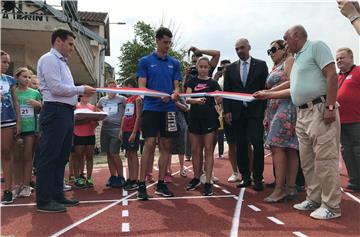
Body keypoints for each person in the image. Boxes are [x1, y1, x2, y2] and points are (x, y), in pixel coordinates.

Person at [283, 25, 341, 219]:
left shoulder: (316, 46)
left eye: (286, 38)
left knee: (325, 159)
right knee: (308, 161)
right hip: (302, 113)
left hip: (319, 108)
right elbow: (294, 87)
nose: (285, 43)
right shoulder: (298, 58)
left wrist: (330, 107)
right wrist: (268, 93)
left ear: (296, 36)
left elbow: (332, 74)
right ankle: (314, 198)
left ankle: (331, 206)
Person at [36, 28, 95, 212]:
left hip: (66, 112)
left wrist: (78, 91)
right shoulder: (49, 59)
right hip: (55, 111)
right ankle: (44, 201)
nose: (72, 48)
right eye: (70, 44)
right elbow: (56, 88)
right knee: (49, 156)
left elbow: (64, 89)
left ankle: (57, 195)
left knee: (61, 156)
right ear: (58, 41)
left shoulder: (63, 62)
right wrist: (80, 89)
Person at [136, 27, 181, 200]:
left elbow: (176, 86)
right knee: (148, 144)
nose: (167, 46)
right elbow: (141, 86)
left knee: (166, 146)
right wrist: (158, 95)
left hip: (168, 109)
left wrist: (175, 93)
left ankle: (161, 183)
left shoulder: (175, 63)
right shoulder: (145, 61)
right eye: (164, 42)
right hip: (151, 108)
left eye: (169, 43)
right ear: (156, 40)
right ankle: (141, 184)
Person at [253, 40, 299, 203]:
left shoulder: (289, 61)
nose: (271, 53)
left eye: (273, 49)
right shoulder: (276, 66)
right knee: (288, 148)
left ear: (283, 49)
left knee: (279, 147)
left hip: (286, 106)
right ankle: (289, 188)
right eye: (269, 51)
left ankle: (281, 189)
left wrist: (269, 91)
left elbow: (293, 82)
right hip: (274, 106)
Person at [223, 38, 268, 191]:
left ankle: (258, 178)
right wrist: (227, 110)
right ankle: (246, 177)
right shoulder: (230, 69)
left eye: (242, 47)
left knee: (257, 142)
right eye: (237, 49)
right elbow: (226, 92)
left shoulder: (261, 65)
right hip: (237, 113)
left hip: (255, 112)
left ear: (249, 47)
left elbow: (265, 89)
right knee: (241, 144)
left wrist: (264, 111)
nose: (240, 51)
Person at [185, 56, 222, 196]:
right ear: (197, 67)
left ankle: (207, 181)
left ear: (209, 68)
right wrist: (195, 101)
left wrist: (219, 99)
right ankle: (196, 177)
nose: (203, 69)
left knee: (208, 150)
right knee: (195, 150)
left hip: (209, 119)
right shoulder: (192, 81)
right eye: (201, 67)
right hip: (194, 119)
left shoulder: (213, 83)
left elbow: (219, 99)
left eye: (206, 67)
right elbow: (186, 98)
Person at [14, 67, 42, 198]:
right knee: (17, 158)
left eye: (29, 77)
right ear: (17, 78)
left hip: (30, 128)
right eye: (24, 77)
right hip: (16, 129)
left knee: (27, 157)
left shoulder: (35, 92)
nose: (27, 79)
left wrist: (37, 104)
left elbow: (43, 108)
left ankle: (26, 185)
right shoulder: (13, 92)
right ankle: (17, 184)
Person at [335, 47, 360, 192]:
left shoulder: (358, 71)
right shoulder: (337, 77)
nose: (339, 61)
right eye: (337, 59)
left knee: (358, 150)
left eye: (342, 58)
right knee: (346, 151)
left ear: (351, 58)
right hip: (340, 121)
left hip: (357, 119)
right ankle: (355, 180)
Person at [97, 79, 126, 188]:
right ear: (106, 88)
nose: (112, 89)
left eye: (114, 87)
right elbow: (97, 108)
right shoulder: (102, 100)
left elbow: (130, 107)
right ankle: (113, 176)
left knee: (114, 153)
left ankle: (121, 177)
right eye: (110, 87)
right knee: (108, 153)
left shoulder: (122, 99)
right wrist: (99, 114)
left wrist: (123, 129)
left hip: (117, 129)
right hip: (105, 128)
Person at [1, 50, 20, 204]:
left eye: (7, 62)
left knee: (7, 154)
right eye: (3, 61)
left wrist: (18, 121)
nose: (6, 65)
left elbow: (16, 102)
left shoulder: (10, 80)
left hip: (7, 120)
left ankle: (8, 190)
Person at [119, 78, 143, 191]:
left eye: (126, 86)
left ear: (131, 86)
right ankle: (130, 177)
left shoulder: (137, 99)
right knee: (128, 154)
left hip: (133, 130)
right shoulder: (128, 100)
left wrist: (134, 132)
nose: (125, 89)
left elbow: (138, 116)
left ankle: (135, 179)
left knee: (133, 154)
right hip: (126, 130)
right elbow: (125, 115)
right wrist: (121, 130)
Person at [73, 95, 98, 189]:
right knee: (78, 156)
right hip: (78, 135)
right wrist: (85, 121)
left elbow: (96, 123)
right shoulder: (76, 106)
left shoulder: (92, 107)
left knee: (89, 157)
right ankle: (78, 177)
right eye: (84, 95)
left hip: (90, 135)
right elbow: (74, 122)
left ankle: (89, 178)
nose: (86, 97)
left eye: (88, 95)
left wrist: (94, 123)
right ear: (80, 96)